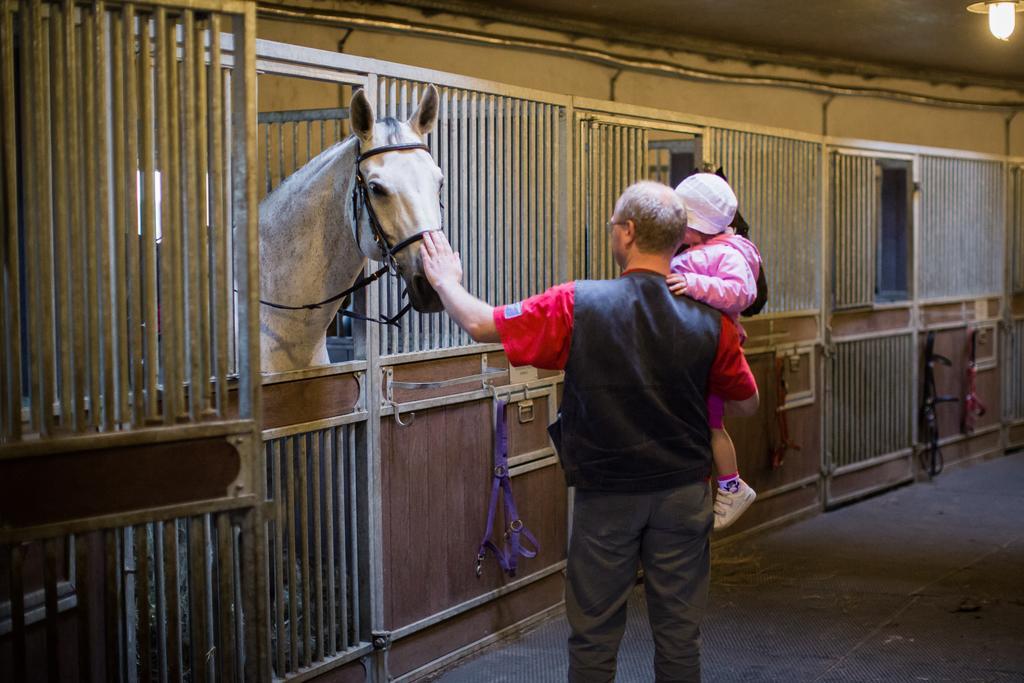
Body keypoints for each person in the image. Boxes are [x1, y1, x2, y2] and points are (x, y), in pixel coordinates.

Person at [419, 181, 759, 682]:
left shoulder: (578, 304)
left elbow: (480, 324)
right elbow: (747, 403)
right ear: (676, 240)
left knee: (594, 637)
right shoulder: (712, 321)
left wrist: (447, 279)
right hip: (684, 495)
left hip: (606, 497)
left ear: (626, 233)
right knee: (680, 635)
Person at [666, 173, 764, 530]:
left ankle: (732, 484)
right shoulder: (706, 250)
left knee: (711, 425)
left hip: (710, 353)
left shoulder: (724, 255)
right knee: (703, 424)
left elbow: (742, 291)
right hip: (700, 349)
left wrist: (693, 283)